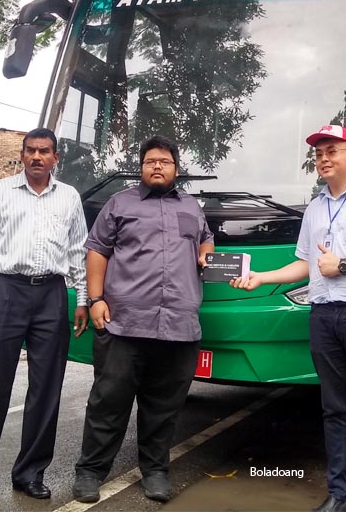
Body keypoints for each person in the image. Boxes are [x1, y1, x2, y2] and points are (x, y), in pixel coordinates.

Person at [231, 124, 346, 512]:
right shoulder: (315, 207)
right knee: (334, 408)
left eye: (331, 150)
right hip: (324, 315)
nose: (324, 159)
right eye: (318, 153)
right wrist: (263, 277)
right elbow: (305, 264)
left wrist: (344, 264)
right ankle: (340, 497)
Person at [72, 136, 215, 504]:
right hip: (124, 322)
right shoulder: (120, 203)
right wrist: (96, 299)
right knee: (108, 401)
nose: (156, 166)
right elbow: (97, 251)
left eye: (164, 161)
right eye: (150, 161)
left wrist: (205, 253)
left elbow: (206, 239)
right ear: (141, 168)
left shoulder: (192, 206)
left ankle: (155, 471)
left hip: (178, 326)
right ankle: (90, 471)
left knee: (164, 406)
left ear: (176, 169)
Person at [0, 127, 89, 507]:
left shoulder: (69, 197)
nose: (36, 157)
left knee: (46, 389)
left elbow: (79, 251)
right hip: (4, 291)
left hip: (51, 293)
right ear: (22, 154)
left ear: (55, 158)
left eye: (44, 151)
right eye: (30, 150)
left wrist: (81, 298)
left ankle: (30, 473)